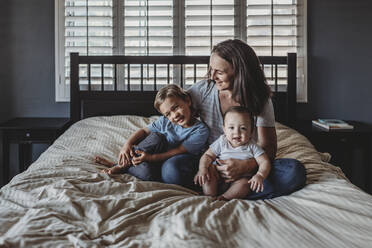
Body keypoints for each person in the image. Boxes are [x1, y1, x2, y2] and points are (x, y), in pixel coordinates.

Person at [187, 39, 306, 199]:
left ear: (239, 71)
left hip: (249, 165)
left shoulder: (259, 99)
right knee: (171, 169)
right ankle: (237, 191)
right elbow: (171, 114)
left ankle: (232, 191)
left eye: (219, 72)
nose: (212, 76)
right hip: (213, 164)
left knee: (294, 172)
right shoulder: (203, 90)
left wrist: (245, 166)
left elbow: (269, 148)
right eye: (211, 70)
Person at [95, 84, 209, 188]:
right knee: (157, 137)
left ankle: (122, 166)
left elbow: (178, 150)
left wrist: (150, 158)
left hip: (175, 159)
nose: (175, 115)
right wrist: (127, 144)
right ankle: (122, 164)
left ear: (187, 100)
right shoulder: (165, 121)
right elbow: (144, 131)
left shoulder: (200, 130)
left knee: (149, 175)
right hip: (155, 156)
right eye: (168, 114)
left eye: (175, 107)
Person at [194, 106, 271, 201]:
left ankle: (224, 198)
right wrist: (202, 169)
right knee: (209, 170)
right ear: (224, 129)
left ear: (251, 132)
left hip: (238, 181)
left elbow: (265, 162)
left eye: (243, 128)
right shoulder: (222, 141)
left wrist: (260, 175)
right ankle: (209, 195)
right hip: (218, 177)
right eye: (231, 127)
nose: (237, 132)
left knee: (245, 184)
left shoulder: (252, 146)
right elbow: (207, 155)